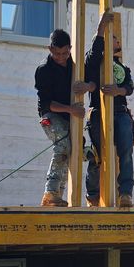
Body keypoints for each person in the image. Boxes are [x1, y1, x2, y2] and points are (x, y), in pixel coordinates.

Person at [83, 9, 134, 209]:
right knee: (96, 155)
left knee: (126, 152)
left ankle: (125, 193)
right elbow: (94, 53)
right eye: (111, 37)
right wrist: (101, 27)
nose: (115, 39)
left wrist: (118, 90)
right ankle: (93, 196)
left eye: (115, 37)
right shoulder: (94, 61)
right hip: (99, 111)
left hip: (120, 112)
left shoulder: (122, 67)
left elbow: (129, 87)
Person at [34, 28, 89, 207]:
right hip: (50, 115)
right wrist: (71, 109)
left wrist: (88, 86)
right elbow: (47, 103)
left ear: (70, 49)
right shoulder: (44, 70)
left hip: (68, 116)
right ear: (50, 49)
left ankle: (58, 196)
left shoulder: (75, 67)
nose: (61, 57)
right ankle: (50, 192)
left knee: (72, 151)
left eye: (65, 53)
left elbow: (91, 80)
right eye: (57, 53)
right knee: (63, 145)